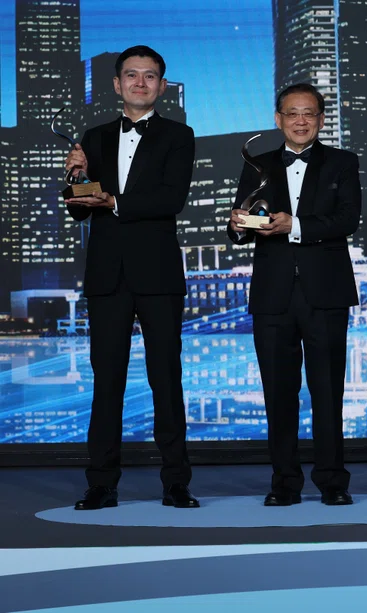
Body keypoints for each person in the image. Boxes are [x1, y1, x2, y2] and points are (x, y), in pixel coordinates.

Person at [65, 45, 198, 510]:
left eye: (150, 76)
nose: (140, 83)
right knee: (107, 382)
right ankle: (101, 483)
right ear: (117, 84)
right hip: (106, 275)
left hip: (158, 273)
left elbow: (170, 199)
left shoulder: (179, 136)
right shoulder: (94, 136)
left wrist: (112, 201)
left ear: (161, 85)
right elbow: (81, 209)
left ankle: (176, 483)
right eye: (131, 75)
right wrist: (78, 178)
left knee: (167, 377)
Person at [228, 83, 361, 507]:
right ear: (278, 118)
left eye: (309, 113)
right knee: (277, 394)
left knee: (328, 392)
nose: (300, 120)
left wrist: (295, 226)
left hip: (326, 291)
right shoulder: (258, 164)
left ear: (321, 120)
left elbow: (347, 219)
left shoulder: (343, 162)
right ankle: (284, 482)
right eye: (292, 113)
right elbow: (240, 229)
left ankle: (332, 482)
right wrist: (235, 225)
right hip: (272, 294)